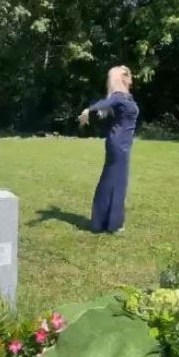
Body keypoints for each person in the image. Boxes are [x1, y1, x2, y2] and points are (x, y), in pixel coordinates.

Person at [77, 65, 139, 234]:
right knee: (114, 181)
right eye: (127, 75)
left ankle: (104, 222)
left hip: (123, 143)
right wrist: (88, 110)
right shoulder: (118, 96)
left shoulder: (127, 97)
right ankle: (110, 223)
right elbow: (104, 103)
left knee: (115, 180)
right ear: (122, 79)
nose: (131, 78)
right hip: (118, 143)